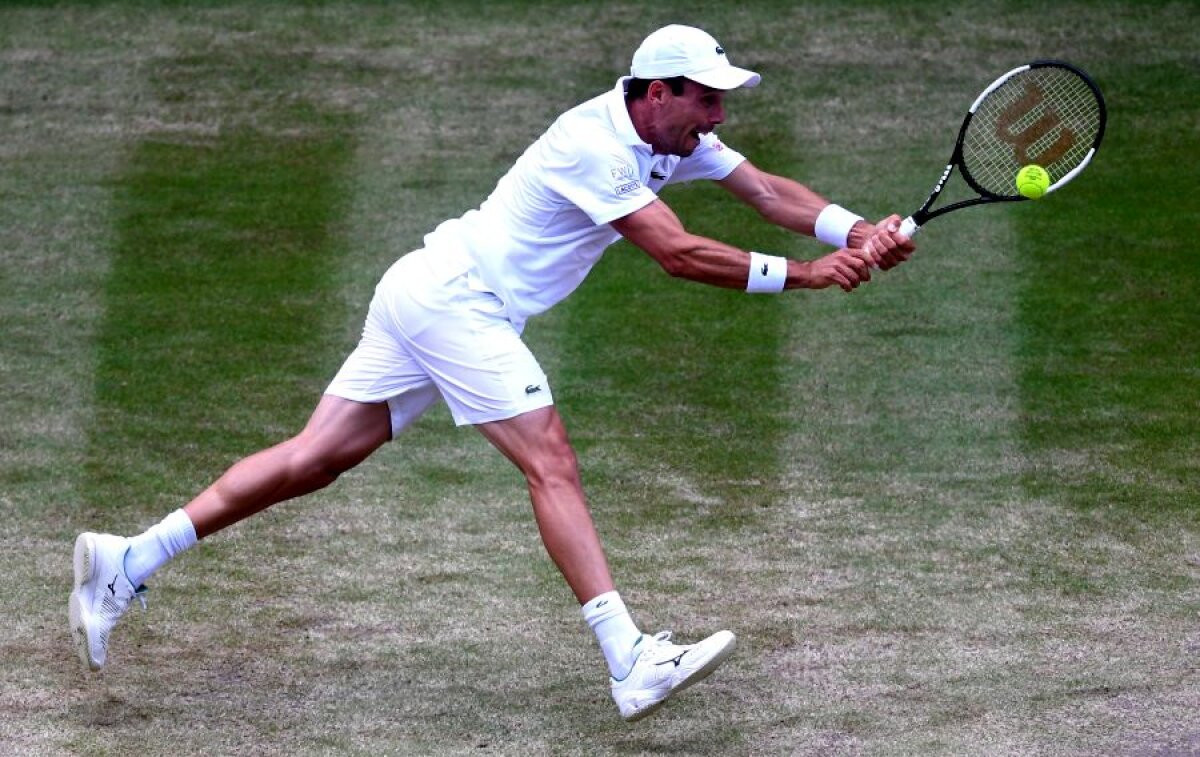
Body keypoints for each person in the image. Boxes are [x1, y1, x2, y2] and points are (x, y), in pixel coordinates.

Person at [69, 24, 914, 722]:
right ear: (657, 92)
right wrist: (803, 276)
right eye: (705, 97)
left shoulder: (672, 134)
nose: (717, 114)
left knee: (314, 458)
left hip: (427, 287)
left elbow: (767, 192)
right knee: (551, 460)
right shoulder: (595, 145)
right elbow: (677, 253)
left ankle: (128, 558)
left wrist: (853, 232)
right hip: (457, 303)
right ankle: (629, 658)